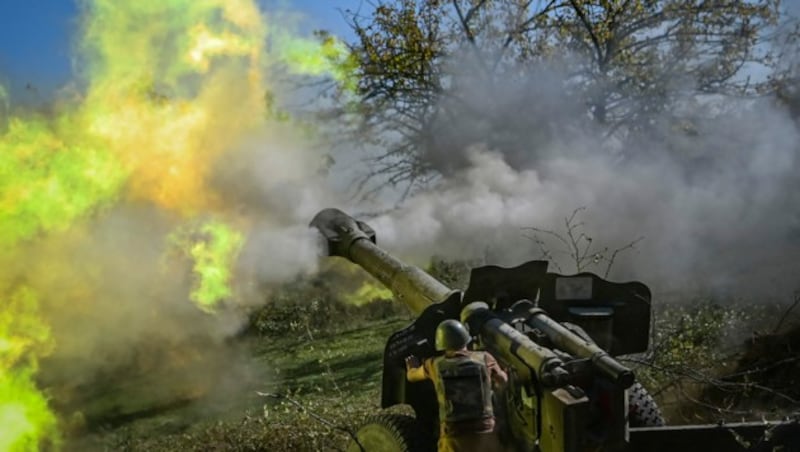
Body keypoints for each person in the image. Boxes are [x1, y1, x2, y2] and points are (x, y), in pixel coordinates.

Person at [405, 319, 508, 452]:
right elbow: (503, 381)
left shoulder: (434, 365)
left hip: (453, 435)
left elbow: (412, 376)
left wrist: (411, 367)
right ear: (466, 339)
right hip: (485, 432)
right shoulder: (485, 358)